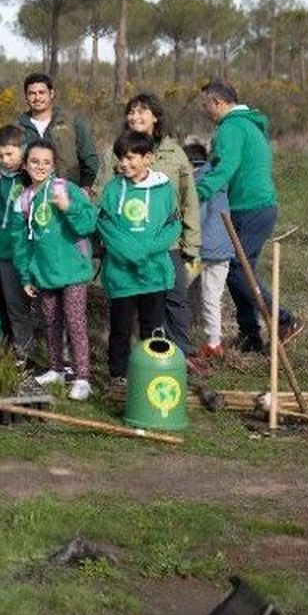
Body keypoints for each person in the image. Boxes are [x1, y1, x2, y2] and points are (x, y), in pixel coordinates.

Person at [195, 79, 299, 352]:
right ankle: (250, 335)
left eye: (206, 104)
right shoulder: (247, 125)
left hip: (250, 208)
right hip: (254, 207)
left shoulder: (231, 128)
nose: (204, 110)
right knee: (239, 270)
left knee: (238, 269)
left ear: (218, 103)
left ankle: (284, 319)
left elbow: (223, 169)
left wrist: (194, 193)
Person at [109, 93, 200, 354]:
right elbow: (103, 195)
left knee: (175, 299)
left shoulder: (174, 153)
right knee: (132, 307)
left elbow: (188, 200)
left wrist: (192, 244)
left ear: (156, 117)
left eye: (142, 111)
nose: (135, 117)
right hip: (127, 246)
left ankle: (181, 356)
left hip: (166, 244)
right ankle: (138, 363)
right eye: (131, 111)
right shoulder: (116, 152)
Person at [97, 130, 182, 396]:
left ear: (149, 158)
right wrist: (133, 254)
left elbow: (172, 226)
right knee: (120, 328)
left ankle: (150, 373)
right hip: (122, 275)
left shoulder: (164, 189)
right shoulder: (112, 189)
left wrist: (145, 252)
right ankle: (118, 376)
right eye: (121, 158)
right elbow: (106, 227)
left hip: (153, 274)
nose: (124, 163)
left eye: (131, 158)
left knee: (153, 327)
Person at [16, 139, 98, 401]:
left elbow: (87, 224)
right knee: (51, 322)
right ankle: (56, 368)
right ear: (25, 165)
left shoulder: (67, 188)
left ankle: (83, 377)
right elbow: (24, 243)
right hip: (44, 271)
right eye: (34, 161)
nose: (40, 166)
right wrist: (27, 275)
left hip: (73, 270)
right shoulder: (26, 198)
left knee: (75, 322)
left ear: (53, 165)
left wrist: (68, 207)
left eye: (46, 162)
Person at [0, 125, 36, 361]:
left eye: (9, 154)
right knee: (1, 305)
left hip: (23, 253)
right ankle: (5, 351)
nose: (4, 161)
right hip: (1, 253)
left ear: (23, 151)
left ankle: (23, 354)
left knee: (18, 308)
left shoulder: (30, 180)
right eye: (0, 155)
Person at [185, 140, 234, 360]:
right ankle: (214, 343)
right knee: (212, 297)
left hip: (201, 250)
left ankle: (173, 337)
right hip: (224, 247)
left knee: (174, 291)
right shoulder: (219, 179)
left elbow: (198, 217)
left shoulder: (197, 183)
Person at [15, 73, 100, 192]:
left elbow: (89, 157)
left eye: (41, 92)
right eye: (32, 93)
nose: (37, 98)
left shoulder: (72, 122)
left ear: (51, 94)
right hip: (31, 197)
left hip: (70, 194)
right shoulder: (17, 129)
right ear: (25, 97)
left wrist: (85, 188)